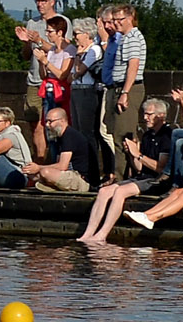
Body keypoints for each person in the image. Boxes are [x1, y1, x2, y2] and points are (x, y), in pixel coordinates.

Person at [76, 99, 177, 244]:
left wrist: (138, 155)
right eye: (145, 114)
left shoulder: (167, 136)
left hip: (158, 180)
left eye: (149, 114)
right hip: (143, 177)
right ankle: (89, 233)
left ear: (161, 115)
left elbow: (160, 168)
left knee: (120, 192)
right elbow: (139, 168)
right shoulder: (148, 135)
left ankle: (103, 233)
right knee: (104, 191)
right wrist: (131, 153)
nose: (145, 118)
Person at [18, 105, 92, 193]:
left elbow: (62, 166)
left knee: (45, 172)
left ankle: (51, 187)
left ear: (62, 120)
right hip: (67, 175)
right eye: (46, 121)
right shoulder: (59, 137)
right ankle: (52, 187)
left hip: (79, 178)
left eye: (50, 121)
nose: (47, 125)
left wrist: (38, 167)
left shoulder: (69, 136)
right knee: (32, 174)